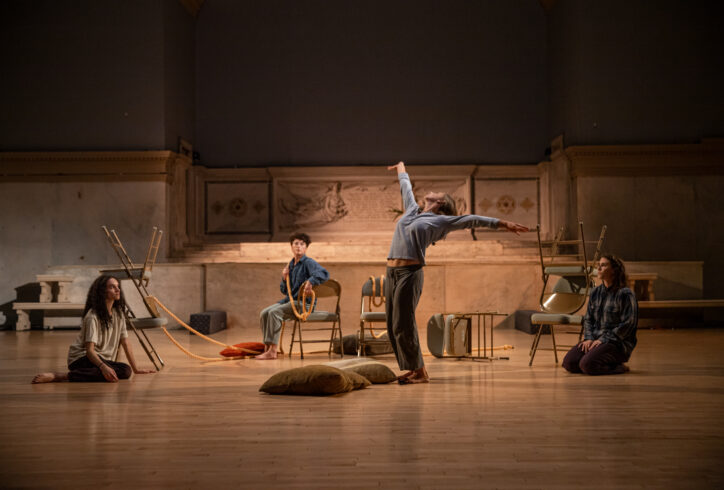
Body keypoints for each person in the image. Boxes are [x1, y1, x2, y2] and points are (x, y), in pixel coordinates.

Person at [386, 161, 529, 384]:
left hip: (409, 273)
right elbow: (406, 188)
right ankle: (413, 369)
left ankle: (420, 372)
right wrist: (401, 168)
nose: (430, 191)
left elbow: (471, 219)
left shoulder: (441, 221)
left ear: (440, 201)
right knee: (392, 323)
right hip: (391, 272)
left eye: (436, 192)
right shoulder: (412, 210)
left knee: (403, 322)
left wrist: (503, 223)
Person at [32, 275, 155, 383]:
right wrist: (104, 367)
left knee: (126, 370)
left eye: (118, 286)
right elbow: (90, 351)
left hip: (101, 359)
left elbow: (125, 342)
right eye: (112, 287)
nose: (118, 290)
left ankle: (89, 372)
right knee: (115, 371)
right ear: (103, 292)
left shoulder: (119, 313)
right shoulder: (93, 316)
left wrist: (136, 369)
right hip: (81, 358)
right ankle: (60, 376)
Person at [255, 232, 330, 360]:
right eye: (296, 243)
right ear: (291, 246)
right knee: (264, 313)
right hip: (290, 300)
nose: (299, 246)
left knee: (274, 313)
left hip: (303, 304)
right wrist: (284, 278)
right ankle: (267, 347)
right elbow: (285, 290)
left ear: (306, 247)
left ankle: (273, 351)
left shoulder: (308, 262)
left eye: (302, 244)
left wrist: (311, 281)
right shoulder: (290, 264)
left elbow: (324, 273)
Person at [562, 255, 638, 375]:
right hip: (595, 340)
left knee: (586, 365)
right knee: (569, 363)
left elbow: (629, 324)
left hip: (617, 343)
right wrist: (589, 338)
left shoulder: (625, 294)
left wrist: (604, 339)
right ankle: (596, 359)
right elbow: (588, 319)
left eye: (603, 265)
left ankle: (618, 367)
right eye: (598, 265)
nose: (599, 268)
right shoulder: (595, 292)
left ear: (614, 270)